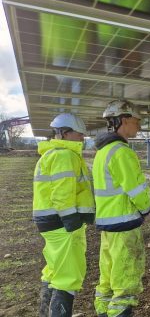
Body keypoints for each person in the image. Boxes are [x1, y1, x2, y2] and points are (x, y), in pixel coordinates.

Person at [92, 100, 150, 317]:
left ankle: (102, 312)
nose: (139, 126)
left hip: (108, 223)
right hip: (124, 224)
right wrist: (145, 209)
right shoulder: (122, 152)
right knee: (126, 278)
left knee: (107, 276)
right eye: (136, 121)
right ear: (124, 120)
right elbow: (135, 189)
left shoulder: (102, 152)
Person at [33, 113, 94, 317]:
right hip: (61, 223)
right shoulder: (64, 155)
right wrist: (72, 221)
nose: (82, 138)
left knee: (54, 269)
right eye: (79, 134)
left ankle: (46, 313)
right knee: (68, 275)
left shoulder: (50, 154)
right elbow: (62, 194)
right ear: (65, 133)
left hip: (49, 222)